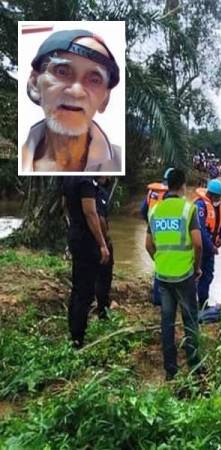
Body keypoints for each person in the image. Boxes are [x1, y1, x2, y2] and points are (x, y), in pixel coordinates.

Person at [22, 29, 121, 173]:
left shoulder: (119, 162)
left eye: (94, 80)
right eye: (62, 72)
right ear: (35, 84)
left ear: (105, 99)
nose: (76, 92)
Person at [145, 168, 203, 380]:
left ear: (167, 185)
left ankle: (171, 371)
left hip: (163, 276)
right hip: (184, 275)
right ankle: (195, 366)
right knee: (190, 321)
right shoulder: (188, 210)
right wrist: (196, 268)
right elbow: (198, 244)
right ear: (183, 186)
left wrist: (160, 261)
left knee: (167, 322)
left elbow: (148, 245)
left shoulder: (154, 211)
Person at [62, 176, 111, 348]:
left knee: (77, 288)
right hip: (87, 240)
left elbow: (65, 206)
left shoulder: (69, 179)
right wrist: (102, 244)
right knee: (85, 291)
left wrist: (74, 227)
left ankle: (74, 333)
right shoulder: (86, 181)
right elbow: (90, 212)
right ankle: (78, 339)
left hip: (75, 234)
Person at [193, 178, 221, 309]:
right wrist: (211, 247)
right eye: (218, 196)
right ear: (211, 194)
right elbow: (200, 230)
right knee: (195, 275)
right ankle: (191, 303)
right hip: (199, 248)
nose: (219, 199)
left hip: (210, 250)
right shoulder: (200, 206)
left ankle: (203, 303)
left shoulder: (219, 207)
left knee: (208, 276)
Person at [141, 168, 173, 305]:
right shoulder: (172, 193)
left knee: (159, 265)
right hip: (168, 232)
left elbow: (143, 210)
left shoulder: (152, 192)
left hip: (153, 230)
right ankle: (167, 299)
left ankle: (157, 299)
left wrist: (149, 224)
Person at [94, 176, 114, 319]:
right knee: (104, 275)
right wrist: (104, 240)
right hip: (99, 239)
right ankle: (102, 309)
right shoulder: (98, 191)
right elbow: (99, 218)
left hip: (88, 239)